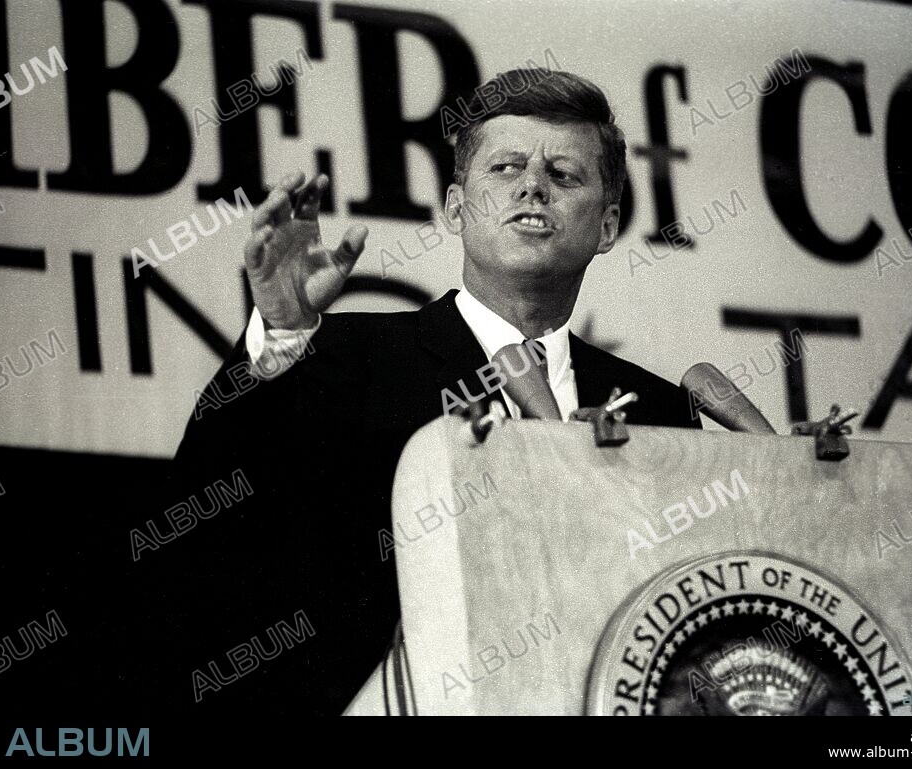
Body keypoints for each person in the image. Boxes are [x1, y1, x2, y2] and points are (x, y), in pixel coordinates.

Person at [167, 68, 700, 715]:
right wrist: (278, 336)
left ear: (608, 225)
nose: (533, 185)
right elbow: (206, 499)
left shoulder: (661, 412)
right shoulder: (347, 360)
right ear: (455, 208)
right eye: (505, 168)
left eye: (564, 175)